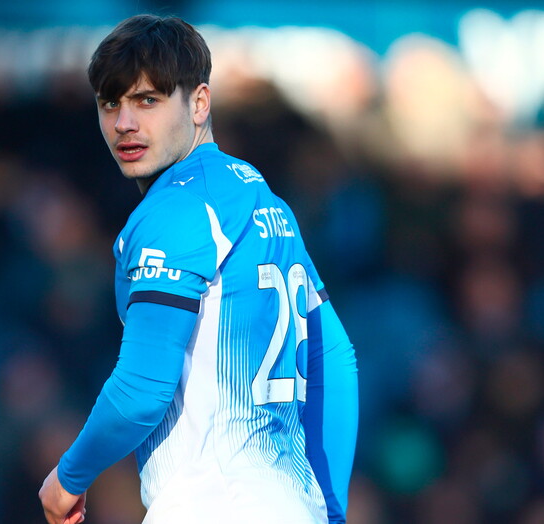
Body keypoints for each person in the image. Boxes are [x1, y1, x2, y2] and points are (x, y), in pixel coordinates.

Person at [38, 14, 358, 524]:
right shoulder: (262, 197)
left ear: (200, 102)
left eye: (148, 100)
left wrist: (67, 478)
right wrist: (331, 509)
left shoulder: (176, 211)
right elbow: (333, 358)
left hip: (211, 504)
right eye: (110, 103)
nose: (124, 122)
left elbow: (143, 389)